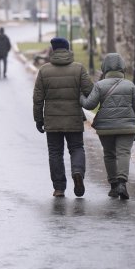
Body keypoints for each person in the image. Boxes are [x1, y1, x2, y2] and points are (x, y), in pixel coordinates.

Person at [33, 37, 93, 198]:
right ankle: (78, 172)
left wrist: (38, 119)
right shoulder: (78, 69)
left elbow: (38, 98)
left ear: (53, 50)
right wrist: (80, 97)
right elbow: (90, 91)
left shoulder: (44, 70)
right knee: (76, 148)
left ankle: (59, 188)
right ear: (67, 50)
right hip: (73, 119)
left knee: (55, 152)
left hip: (52, 121)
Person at [80, 53, 135, 200]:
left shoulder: (100, 85)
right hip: (127, 127)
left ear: (105, 68)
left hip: (106, 127)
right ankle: (122, 183)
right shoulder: (130, 85)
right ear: (122, 67)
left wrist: (80, 97)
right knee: (123, 153)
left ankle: (114, 186)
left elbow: (90, 104)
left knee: (109, 154)